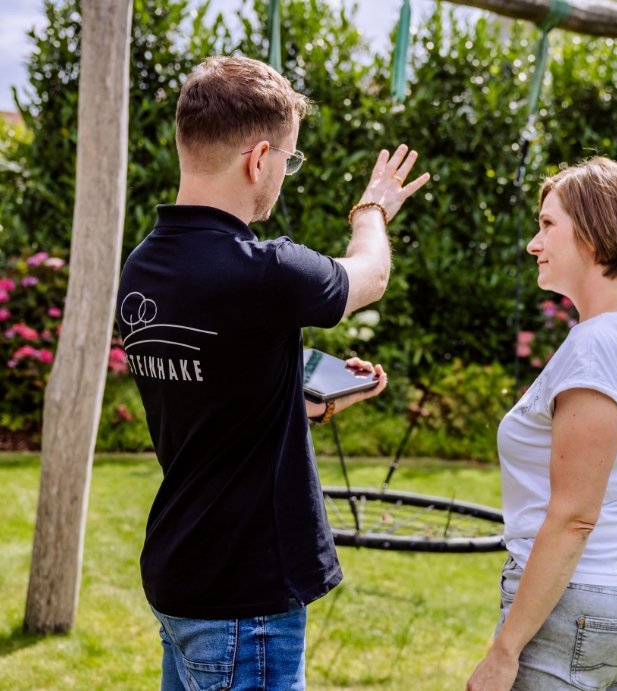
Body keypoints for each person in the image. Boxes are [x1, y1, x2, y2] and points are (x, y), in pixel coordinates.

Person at [115, 56, 428, 691]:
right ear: (259, 159)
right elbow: (371, 275)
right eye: (290, 158)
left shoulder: (142, 268)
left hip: (181, 573)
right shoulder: (266, 272)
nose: (286, 173)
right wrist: (371, 209)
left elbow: (216, 394)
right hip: (245, 597)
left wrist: (316, 403)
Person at [467, 157, 617, 691]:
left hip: (578, 606)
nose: (533, 243)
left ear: (596, 234)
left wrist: (505, 651)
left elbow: (575, 517)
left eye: (547, 224)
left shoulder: (597, 347)